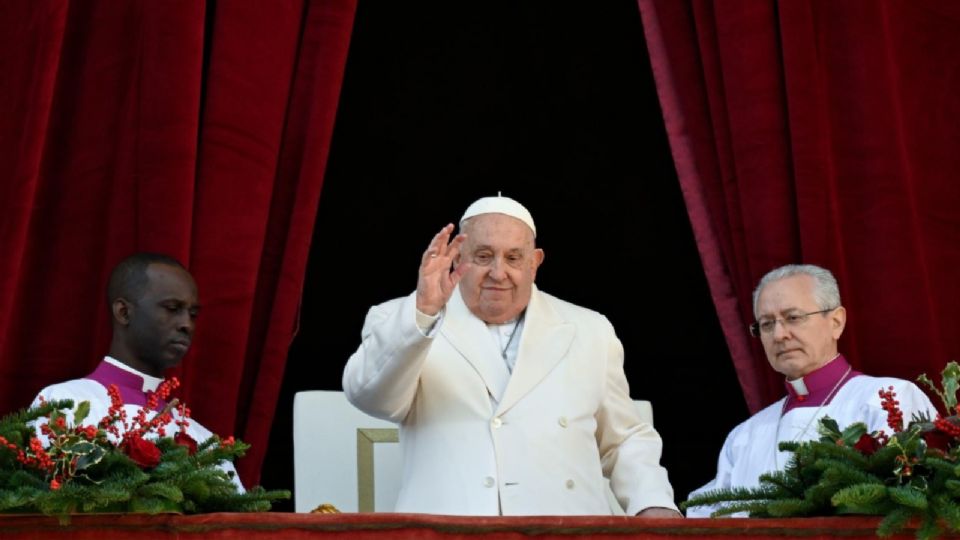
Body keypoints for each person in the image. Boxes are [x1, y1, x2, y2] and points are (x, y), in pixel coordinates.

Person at [342, 195, 678, 516]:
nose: (499, 273)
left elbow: (623, 439)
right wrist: (424, 311)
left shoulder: (590, 329)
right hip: (450, 532)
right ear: (458, 259)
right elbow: (371, 398)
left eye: (514, 258)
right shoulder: (402, 320)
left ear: (535, 262)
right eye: (484, 256)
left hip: (566, 530)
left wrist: (652, 503)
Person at [685, 264, 935, 517]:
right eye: (767, 324)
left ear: (836, 322)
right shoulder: (744, 436)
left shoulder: (888, 397)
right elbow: (705, 516)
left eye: (793, 318)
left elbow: (914, 505)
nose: (779, 335)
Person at [32, 252, 242, 489]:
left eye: (193, 314)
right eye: (173, 308)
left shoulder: (204, 440)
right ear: (124, 312)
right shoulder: (64, 403)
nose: (187, 324)